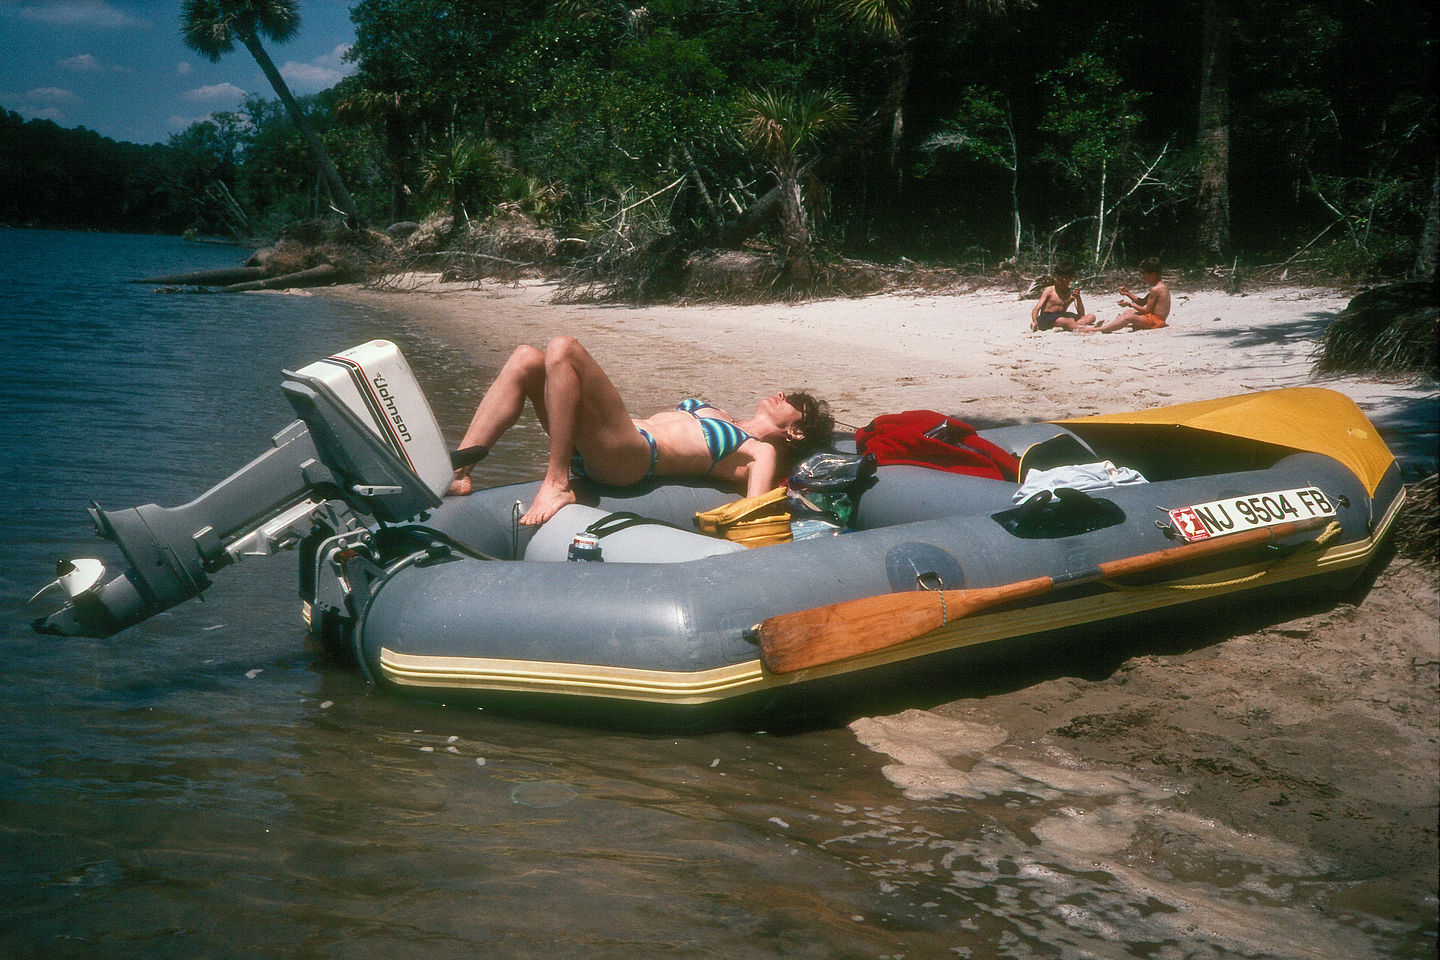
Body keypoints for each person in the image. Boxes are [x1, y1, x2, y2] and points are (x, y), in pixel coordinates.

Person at [446, 336, 834, 525]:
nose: (780, 394)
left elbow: (752, 511)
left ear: (796, 432)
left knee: (563, 348)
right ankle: (460, 473)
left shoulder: (759, 451)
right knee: (527, 358)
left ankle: (557, 481)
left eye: (792, 400)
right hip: (601, 440)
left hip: (631, 457)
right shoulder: (724, 414)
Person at [1083, 257, 1170, 333]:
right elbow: (1142, 302)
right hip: (1157, 319)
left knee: (1128, 317)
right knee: (1128, 313)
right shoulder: (1161, 286)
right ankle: (1113, 325)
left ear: (1153, 274)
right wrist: (1127, 293)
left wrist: (1130, 304)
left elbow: (1147, 311)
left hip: (1156, 321)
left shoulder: (1156, 289)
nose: (1143, 277)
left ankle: (1098, 329)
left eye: (1144, 273)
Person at [1029, 262, 1097, 332]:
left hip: (1061, 316)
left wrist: (1078, 298)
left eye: (1064, 280)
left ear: (1070, 279)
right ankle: (1096, 329)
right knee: (1069, 321)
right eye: (1059, 280)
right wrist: (1035, 322)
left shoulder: (1071, 293)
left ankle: (1070, 326)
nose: (1060, 283)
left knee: (1091, 317)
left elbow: (1081, 314)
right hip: (1047, 317)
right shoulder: (1050, 290)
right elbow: (1036, 309)